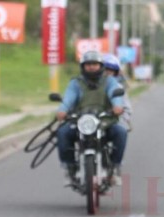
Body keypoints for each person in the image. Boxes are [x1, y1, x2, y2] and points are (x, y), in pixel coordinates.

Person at [55, 50, 128, 185]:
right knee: (62, 132)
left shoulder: (110, 81)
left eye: (94, 64)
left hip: (105, 121)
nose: (91, 67)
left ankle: (114, 166)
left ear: (101, 66)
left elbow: (114, 94)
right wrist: (62, 110)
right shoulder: (76, 83)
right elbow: (69, 98)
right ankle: (69, 168)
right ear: (83, 66)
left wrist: (117, 106)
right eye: (88, 64)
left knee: (121, 132)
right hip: (81, 121)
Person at [102, 53, 133, 134]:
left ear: (115, 72)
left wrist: (120, 114)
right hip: (89, 122)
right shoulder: (89, 85)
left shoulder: (119, 87)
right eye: (105, 69)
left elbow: (127, 110)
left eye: (111, 70)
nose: (107, 73)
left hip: (111, 121)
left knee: (121, 133)